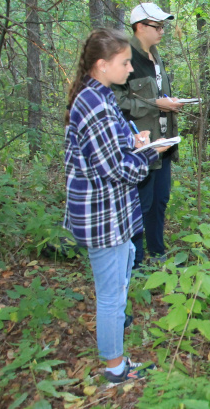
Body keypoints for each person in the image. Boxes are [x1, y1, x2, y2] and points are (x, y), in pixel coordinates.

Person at [63, 29, 170, 382]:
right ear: (102, 64)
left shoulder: (102, 95)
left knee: (119, 285)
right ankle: (115, 369)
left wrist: (135, 140)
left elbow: (112, 144)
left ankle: (116, 362)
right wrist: (149, 154)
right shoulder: (93, 105)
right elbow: (114, 168)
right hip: (102, 213)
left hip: (115, 210)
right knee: (111, 297)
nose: (130, 68)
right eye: (124, 63)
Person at [113, 3, 183, 268]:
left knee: (159, 201)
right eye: (158, 26)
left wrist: (169, 103)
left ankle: (157, 252)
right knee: (139, 204)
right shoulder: (125, 57)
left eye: (163, 26)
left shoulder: (155, 55)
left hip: (163, 143)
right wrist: (155, 104)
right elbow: (117, 101)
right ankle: (134, 261)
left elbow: (156, 94)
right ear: (140, 27)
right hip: (140, 146)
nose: (162, 31)